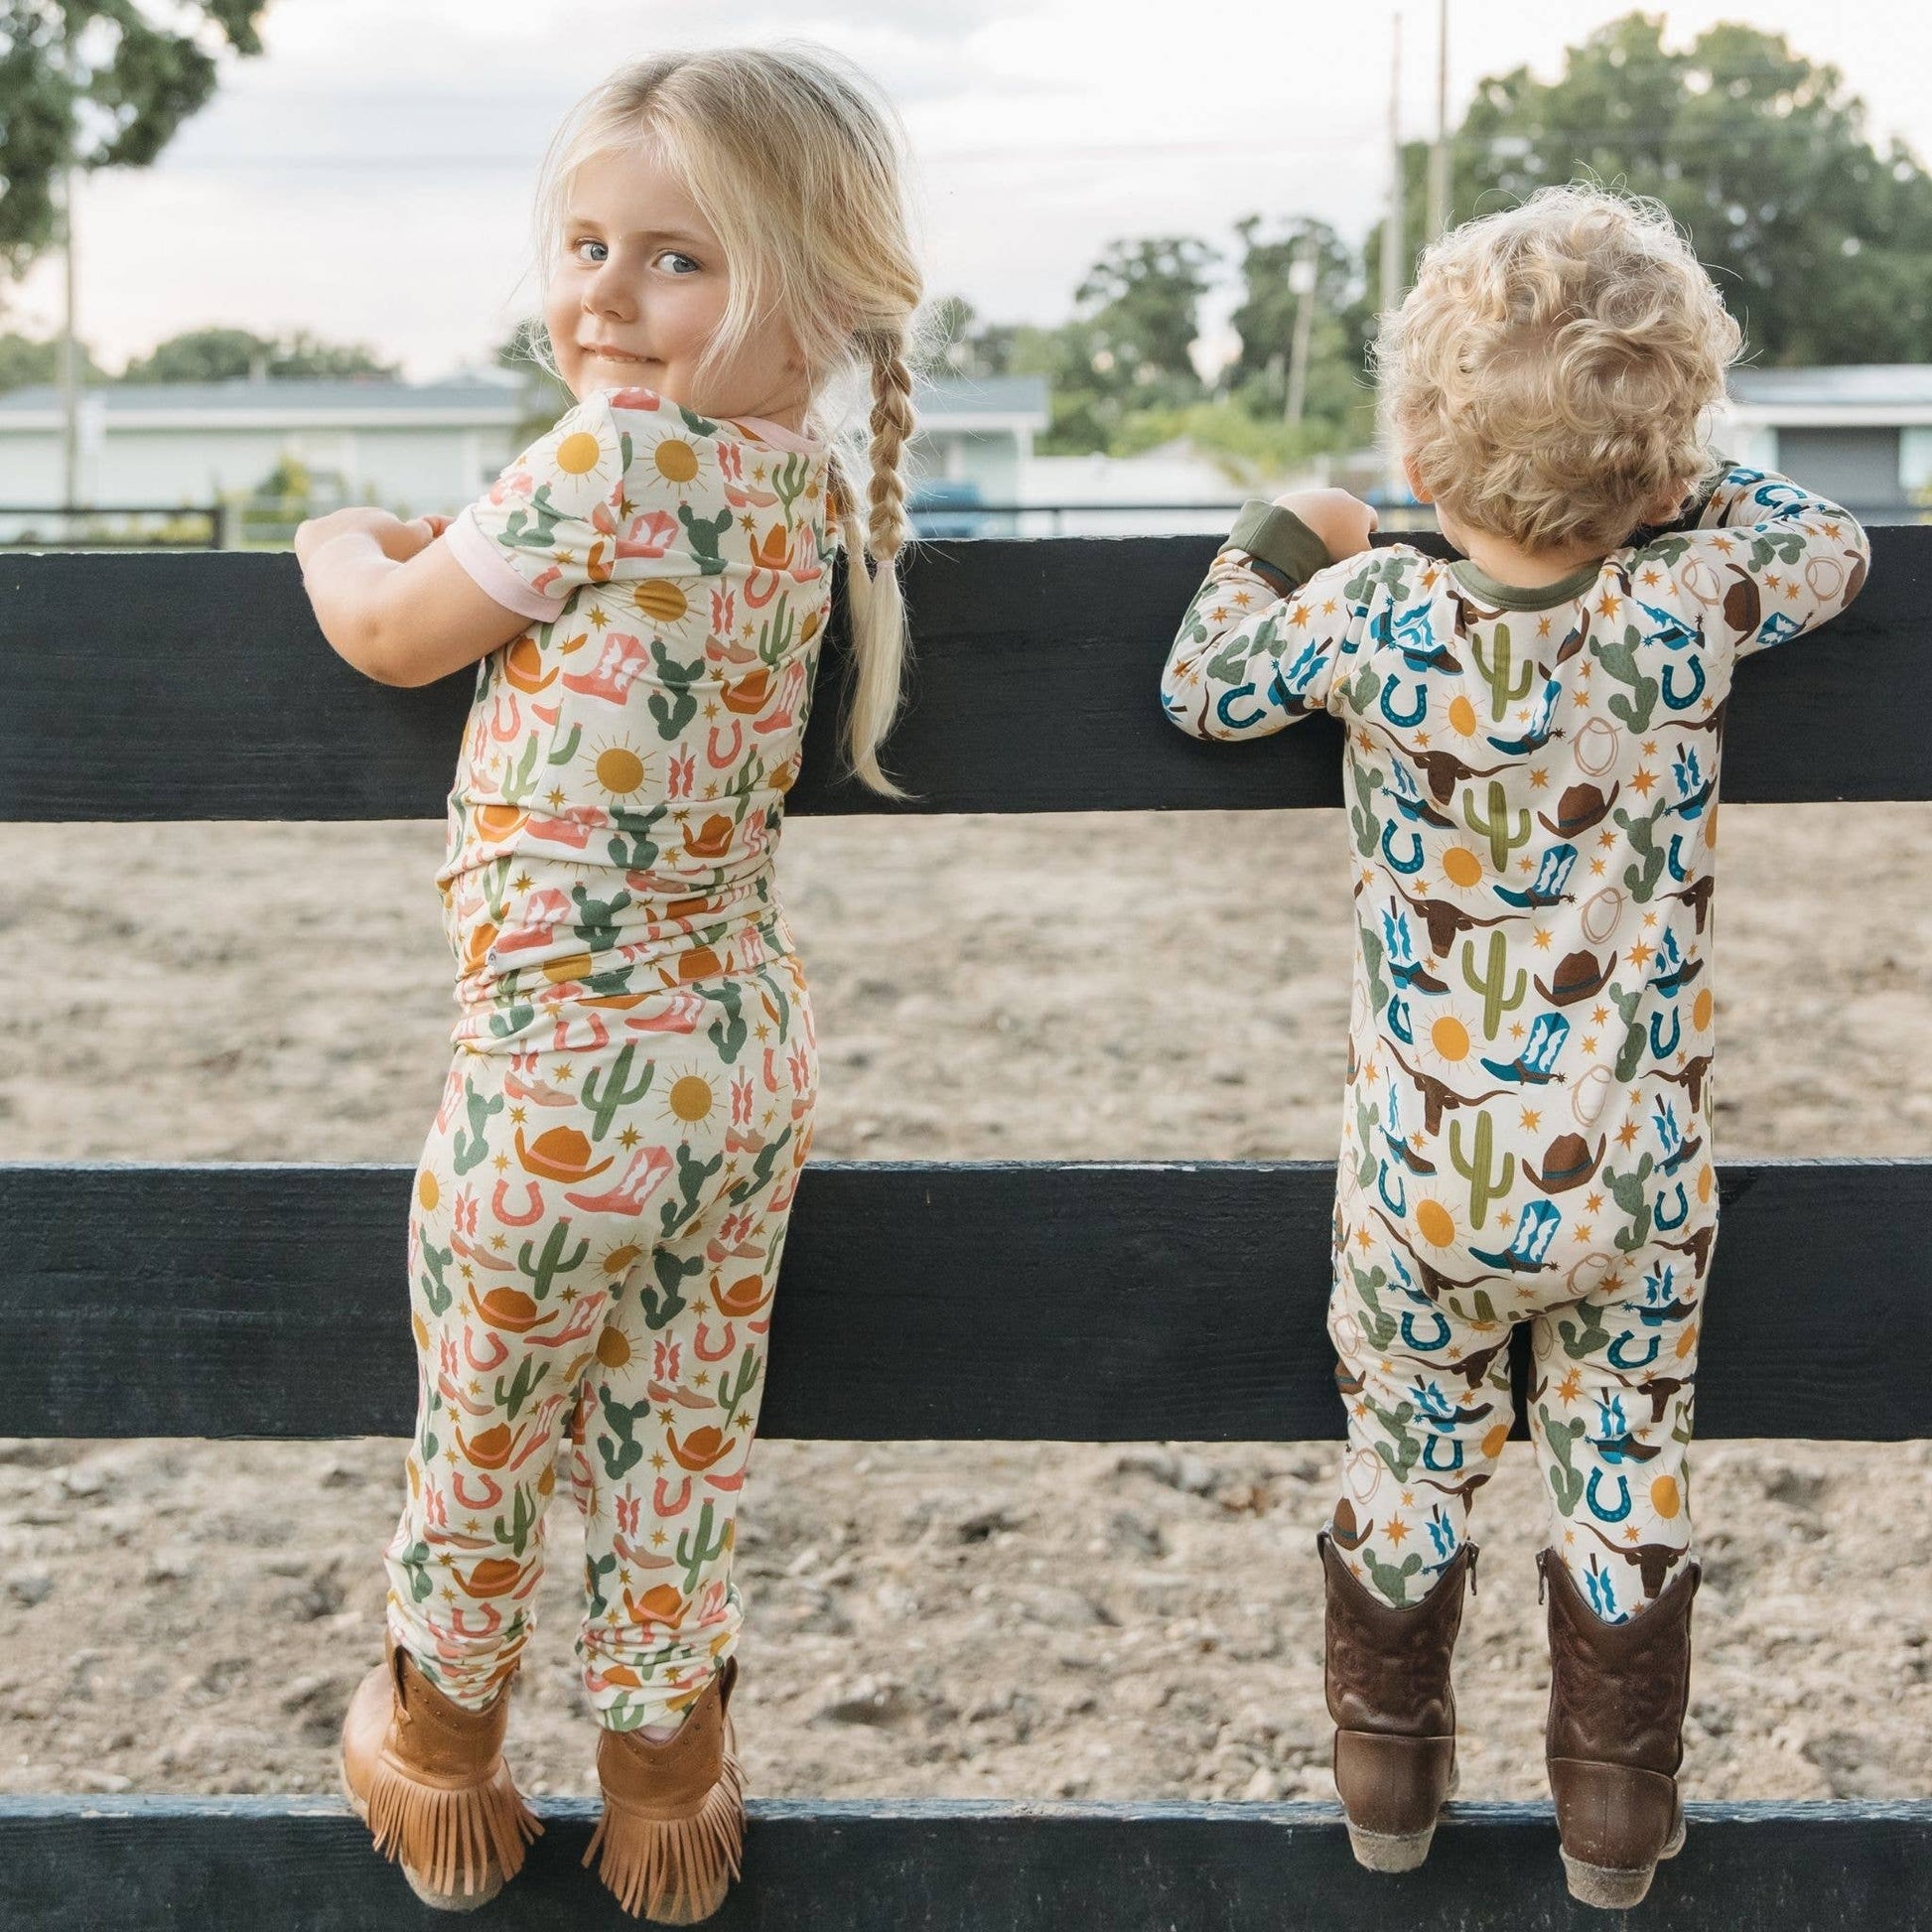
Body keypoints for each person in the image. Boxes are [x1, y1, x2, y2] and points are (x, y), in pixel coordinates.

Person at [1159, 184, 1869, 1909]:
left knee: (1403, 1466)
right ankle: (1616, 1821)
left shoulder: (1378, 617)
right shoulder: (1692, 594)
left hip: (1420, 1181)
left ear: (1421, 437)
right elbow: (1832, 544)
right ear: (1671, 437)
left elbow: (1202, 679)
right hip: (1632, 1180)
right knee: (1623, 1475)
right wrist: (1665, 482)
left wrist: (1295, 523)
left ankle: (1385, 1780)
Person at [294, 43, 923, 1921]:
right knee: (677, 1439)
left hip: (557, 1087)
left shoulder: (611, 453)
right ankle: (665, 1785)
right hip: (740, 1068)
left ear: (813, 301)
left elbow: (401, 636)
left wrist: (340, 537)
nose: (602, 293)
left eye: (674, 259)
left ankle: (440, 1750)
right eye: (584, 244)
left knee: (483, 1432)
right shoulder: (807, 495)